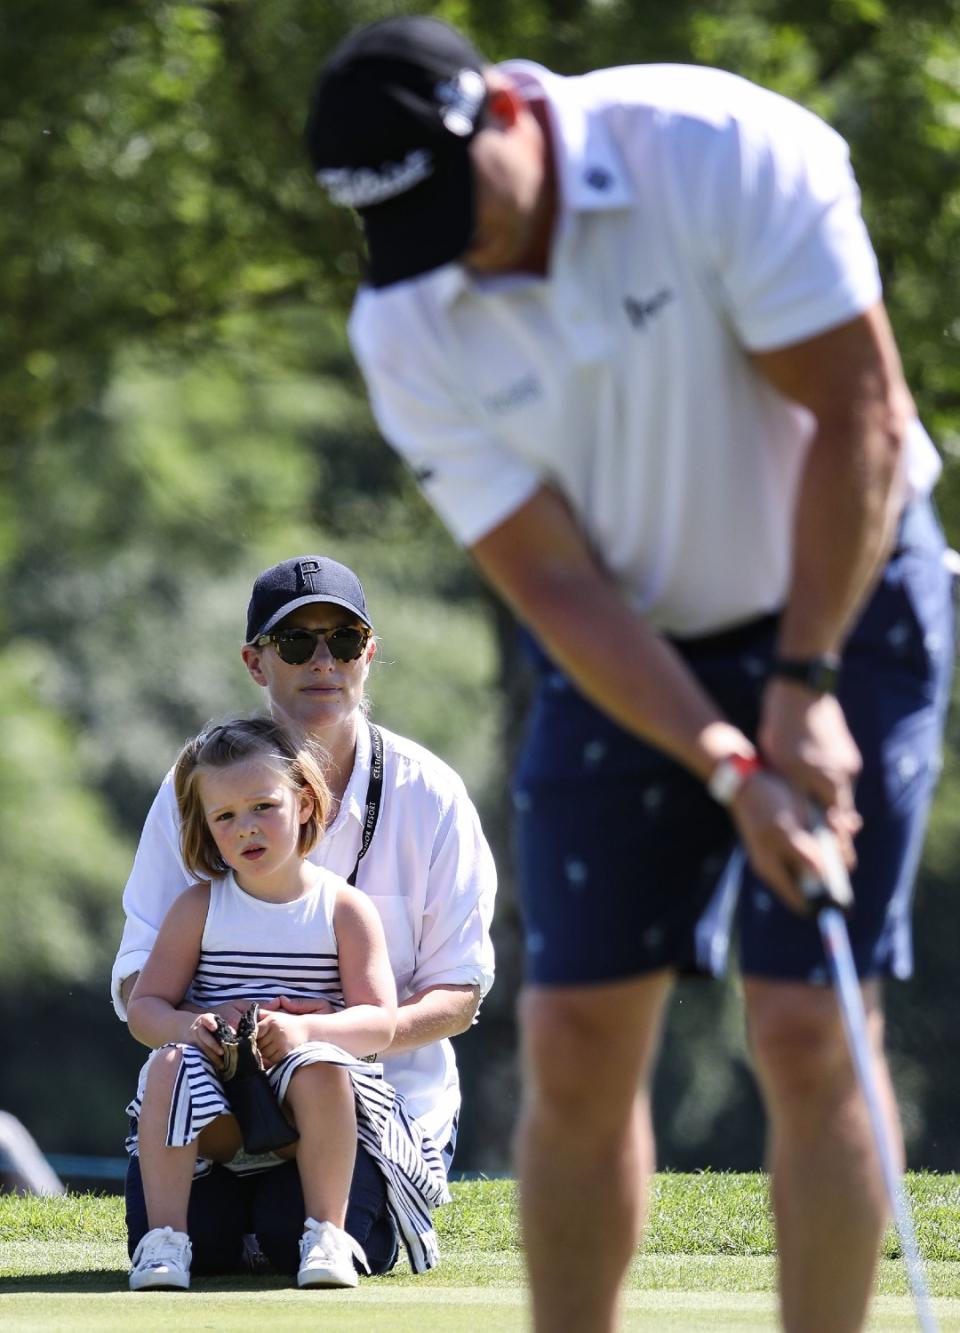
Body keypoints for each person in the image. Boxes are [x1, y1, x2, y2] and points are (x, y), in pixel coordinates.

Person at [305, 17, 955, 1333]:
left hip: (851, 589)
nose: (457, 250)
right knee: (578, 1037)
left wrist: (801, 689)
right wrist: (725, 755)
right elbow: (554, 585)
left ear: (501, 113)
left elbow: (863, 417)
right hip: (629, 641)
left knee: (803, 1020)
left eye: (455, 204)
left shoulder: (720, 151)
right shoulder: (408, 320)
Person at [112, 554, 496, 1278]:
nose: (323, 660)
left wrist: (315, 1037)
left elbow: (461, 991)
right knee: (204, 1243)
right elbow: (138, 983)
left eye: (344, 640)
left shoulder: (433, 794)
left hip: (383, 1106)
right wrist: (225, 1032)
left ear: (369, 653)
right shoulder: (194, 789)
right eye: (296, 643)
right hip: (215, 1110)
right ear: (256, 662)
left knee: (297, 1230)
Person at [126, 716, 449, 1291]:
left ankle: (326, 1232)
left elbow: (377, 1021)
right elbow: (147, 1007)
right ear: (205, 826)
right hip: (218, 1106)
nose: (245, 829)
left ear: (303, 802)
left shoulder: (343, 908)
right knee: (170, 1063)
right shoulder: (197, 907)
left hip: (310, 1108)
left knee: (321, 1067)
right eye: (225, 817)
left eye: (262, 807)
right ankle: (166, 1240)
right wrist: (192, 1025)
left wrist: (305, 1035)